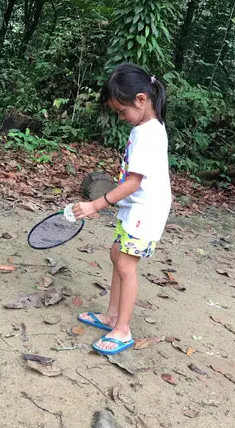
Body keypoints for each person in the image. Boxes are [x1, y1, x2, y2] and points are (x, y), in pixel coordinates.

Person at [73, 63, 172, 355]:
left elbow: (132, 182)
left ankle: (123, 330)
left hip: (146, 211)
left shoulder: (149, 133)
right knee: (117, 254)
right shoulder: (144, 128)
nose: (121, 117)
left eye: (121, 111)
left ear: (141, 99)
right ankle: (111, 316)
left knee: (127, 266)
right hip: (136, 208)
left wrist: (96, 204)